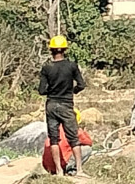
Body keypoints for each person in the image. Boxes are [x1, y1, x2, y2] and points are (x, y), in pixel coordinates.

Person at [38, 35, 86, 177]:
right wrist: (71, 91)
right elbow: (81, 85)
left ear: (51, 50)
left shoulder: (47, 68)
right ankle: (79, 170)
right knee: (73, 138)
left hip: (51, 105)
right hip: (66, 104)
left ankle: (59, 171)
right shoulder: (72, 66)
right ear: (65, 49)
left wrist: (52, 91)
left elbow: (41, 90)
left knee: (54, 138)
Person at [41, 110, 93, 176]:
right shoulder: (72, 129)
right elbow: (89, 142)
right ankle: (71, 169)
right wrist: (83, 131)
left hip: (48, 167)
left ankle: (59, 170)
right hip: (62, 163)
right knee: (87, 149)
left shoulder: (54, 129)